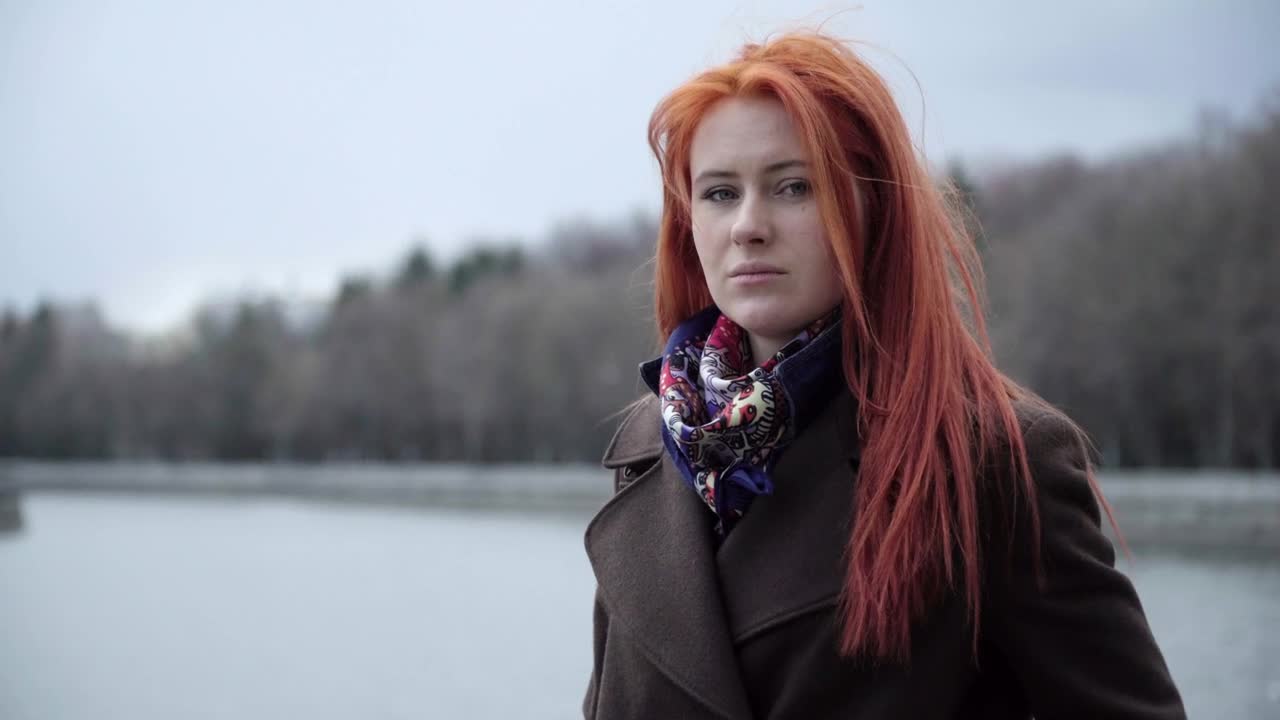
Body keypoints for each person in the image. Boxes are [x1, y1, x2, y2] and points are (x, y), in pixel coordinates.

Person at [581, 30, 1186, 720]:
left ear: (875, 207)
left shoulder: (989, 460)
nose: (748, 226)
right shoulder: (659, 446)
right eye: (720, 193)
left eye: (794, 186)